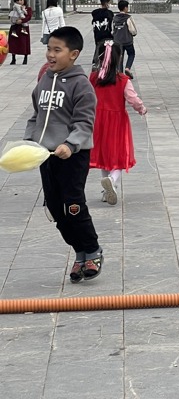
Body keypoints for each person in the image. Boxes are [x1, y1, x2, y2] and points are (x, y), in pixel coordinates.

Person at [25, 26, 102, 283]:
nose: (50, 54)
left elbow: (85, 121)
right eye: (49, 49)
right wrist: (29, 141)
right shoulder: (44, 78)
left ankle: (92, 249)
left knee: (73, 206)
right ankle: (79, 252)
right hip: (45, 155)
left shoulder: (81, 85)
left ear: (74, 54)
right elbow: (36, 115)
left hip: (72, 155)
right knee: (56, 208)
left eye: (57, 50)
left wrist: (70, 144)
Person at [89, 40, 147, 206]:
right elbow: (133, 100)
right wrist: (142, 109)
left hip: (97, 121)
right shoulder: (123, 80)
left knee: (103, 155)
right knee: (119, 156)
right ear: (119, 58)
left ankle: (106, 189)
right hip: (117, 122)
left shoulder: (93, 78)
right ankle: (112, 181)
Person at [111, 0, 138, 77]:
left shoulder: (115, 18)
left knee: (120, 57)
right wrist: (134, 34)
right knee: (131, 54)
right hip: (127, 41)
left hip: (117, 41)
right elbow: (133, 30)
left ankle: (120, 73)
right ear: (125, 8)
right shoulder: (128, 17)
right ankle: (127, 68)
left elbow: (112, 30)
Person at [7, 0, 31, 65]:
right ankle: (13, 58)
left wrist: (22, 21)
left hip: (23, 27)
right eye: (19, 0)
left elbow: (28, 16)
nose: (20, 1)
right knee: (13, 42)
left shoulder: (28, 8)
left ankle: (25, 58)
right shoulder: (15, 7)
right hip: (15, 27)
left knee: (24, 42)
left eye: (21, 0)